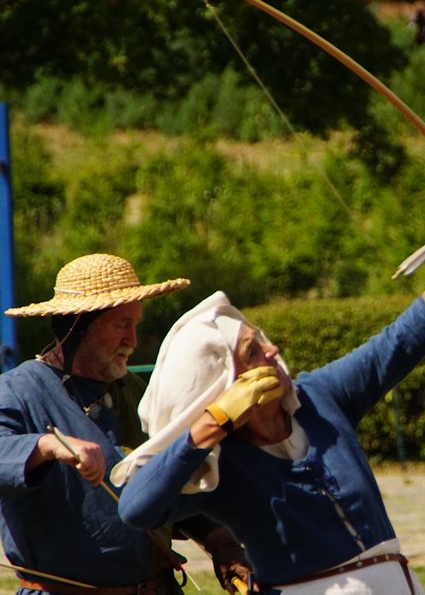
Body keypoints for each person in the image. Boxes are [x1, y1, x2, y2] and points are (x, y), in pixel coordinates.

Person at [112, 193, 425, 594]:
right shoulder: (219, 467)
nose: (272, 351)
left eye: (263, 341)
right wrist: (212, 423)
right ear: (225, 382)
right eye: (254, 352)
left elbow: (405, 339)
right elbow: (136, 509)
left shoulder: (318, 398)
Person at [0, 253, 252, 594]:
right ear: (78, 325)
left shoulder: (133, 390)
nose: (132, 340)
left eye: (135, 324)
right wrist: (47, 447)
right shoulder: (18, 390)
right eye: (121, 325)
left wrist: (218, 539)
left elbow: (165, 481)